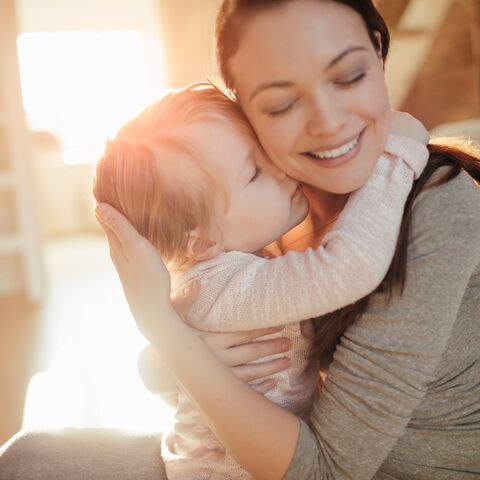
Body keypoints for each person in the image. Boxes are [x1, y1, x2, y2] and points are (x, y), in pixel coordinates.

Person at [1, 0, 479, 479]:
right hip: (250, 449)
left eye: (349, 75)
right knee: (27, 458)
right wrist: (175, 352)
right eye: (281, 103)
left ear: (378, 53)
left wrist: (166, 332)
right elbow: (179, 366)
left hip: (346, 467)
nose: (328, 121)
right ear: (244, 109)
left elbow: (324, 470)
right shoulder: (274, 201)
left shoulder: (436, 209)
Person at [93, 81, 427, 480]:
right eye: (254, 173)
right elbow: (346, 268)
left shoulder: (216, 273)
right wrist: (396, 155)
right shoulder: (225, 289)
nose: (281, 172)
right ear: (202, 241)